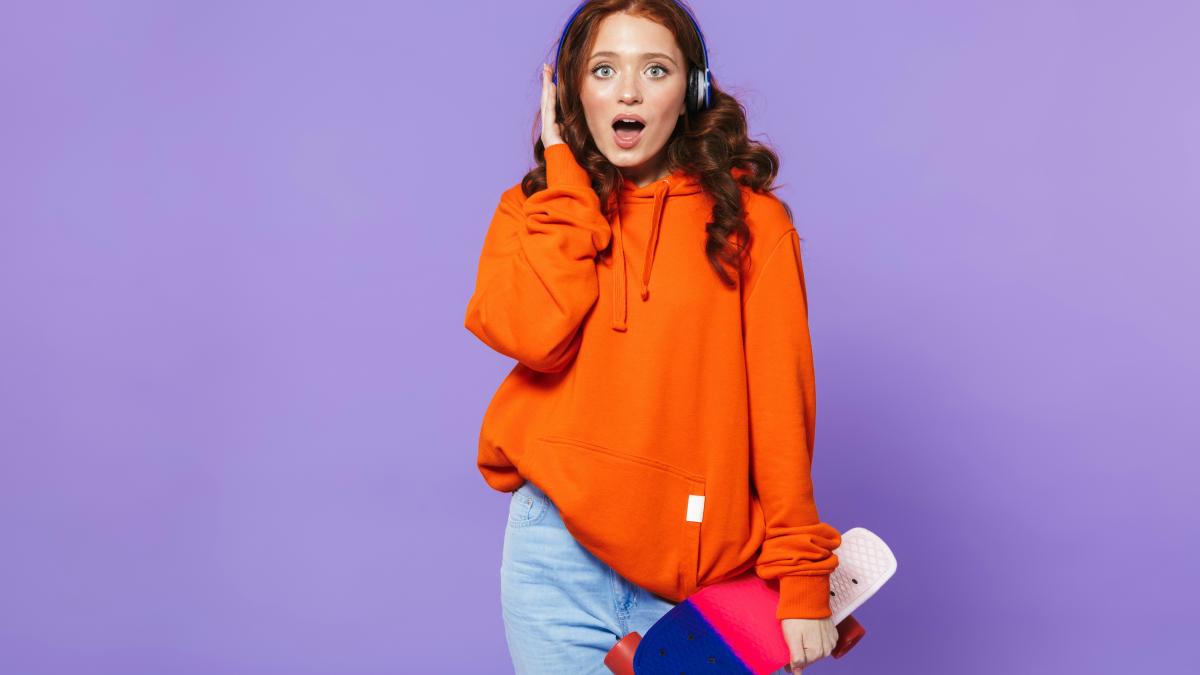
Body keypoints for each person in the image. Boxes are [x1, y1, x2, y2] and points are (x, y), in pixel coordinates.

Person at [464, 1, 841, 673]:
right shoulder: (534, 213)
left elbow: (781, 413)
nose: (629, 92)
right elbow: (532, 337)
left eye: (656, 69)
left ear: (691, 91)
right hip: (553, 556)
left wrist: (801, 575)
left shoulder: (754, 225)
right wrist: (567, 186)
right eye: (604, 70)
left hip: (698, 568)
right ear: (572, 89)